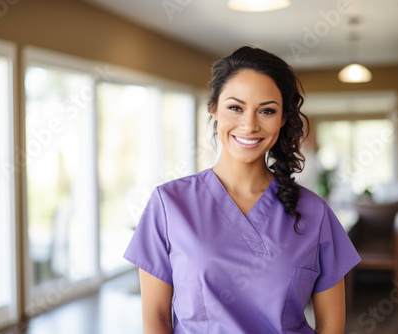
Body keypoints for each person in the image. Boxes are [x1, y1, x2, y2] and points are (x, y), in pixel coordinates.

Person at [123, 46, 361, 334]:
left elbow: (332, 327)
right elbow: (156, 321)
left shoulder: (314, 213)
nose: (249, 125)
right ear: (213, 109)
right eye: (235, 107)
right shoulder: (169, 205)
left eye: (267, 110)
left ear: (283, 118)